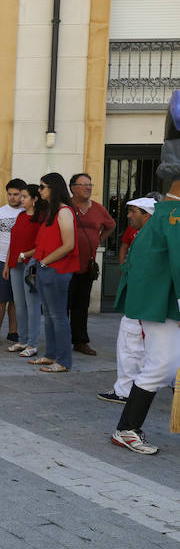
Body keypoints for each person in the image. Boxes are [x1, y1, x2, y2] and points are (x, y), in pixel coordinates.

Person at [109, 116, 180, 454]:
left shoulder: (166, 213)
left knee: (164, 366)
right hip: (164, 306)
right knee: (161, 367)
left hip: (162, 304)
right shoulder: (173, 215)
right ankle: (127, 428)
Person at [97, 196, 155, 404]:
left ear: (146, 215)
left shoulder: (151, 236)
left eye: (133, 211)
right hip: (141, 301)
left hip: (141, 303)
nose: (129, 215)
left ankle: (126, 390)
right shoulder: (149, 234)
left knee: (131, 347)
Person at [27, 173, 79, 373]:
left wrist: (45, 262)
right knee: (48, 315)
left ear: (53, 189)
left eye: (42, 187)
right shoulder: (52, 210)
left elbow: (69, 245)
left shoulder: (64, 211)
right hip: (47, 268)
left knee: (58, 316)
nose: (39, 191)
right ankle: (51, 355)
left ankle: (64, 361)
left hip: (56, 269)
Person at [68, 173, 116, 356]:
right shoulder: (65, 207)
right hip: (66, 264)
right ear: (73, 188)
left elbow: (110, 225)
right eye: (84, 185)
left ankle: (80, 341)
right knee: (63, 305)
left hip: (86, 266)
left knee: (81, 304)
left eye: (90, 185)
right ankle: (62, 340)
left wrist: (97, 240)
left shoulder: (98, 209)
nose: (88, 188)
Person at [3, 184, 44, 357]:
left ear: (35, 199)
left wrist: (25, 254)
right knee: (19, 305)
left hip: (31, 265)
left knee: (32, 305)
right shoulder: (20, 216)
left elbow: (42, 245)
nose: (21, 199)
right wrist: (7, 264)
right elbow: (12, 243)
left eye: (25, 196)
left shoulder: (42, 218)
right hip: (15, 264)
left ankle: (32, 344)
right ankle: (23, 339)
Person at [0, 179, 24, 346]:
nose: (13, 198)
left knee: (16, 300)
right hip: (1, 261)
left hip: (21, 262)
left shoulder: (27, 213)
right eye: (10, 194)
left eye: (16, 194)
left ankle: (13, 332)